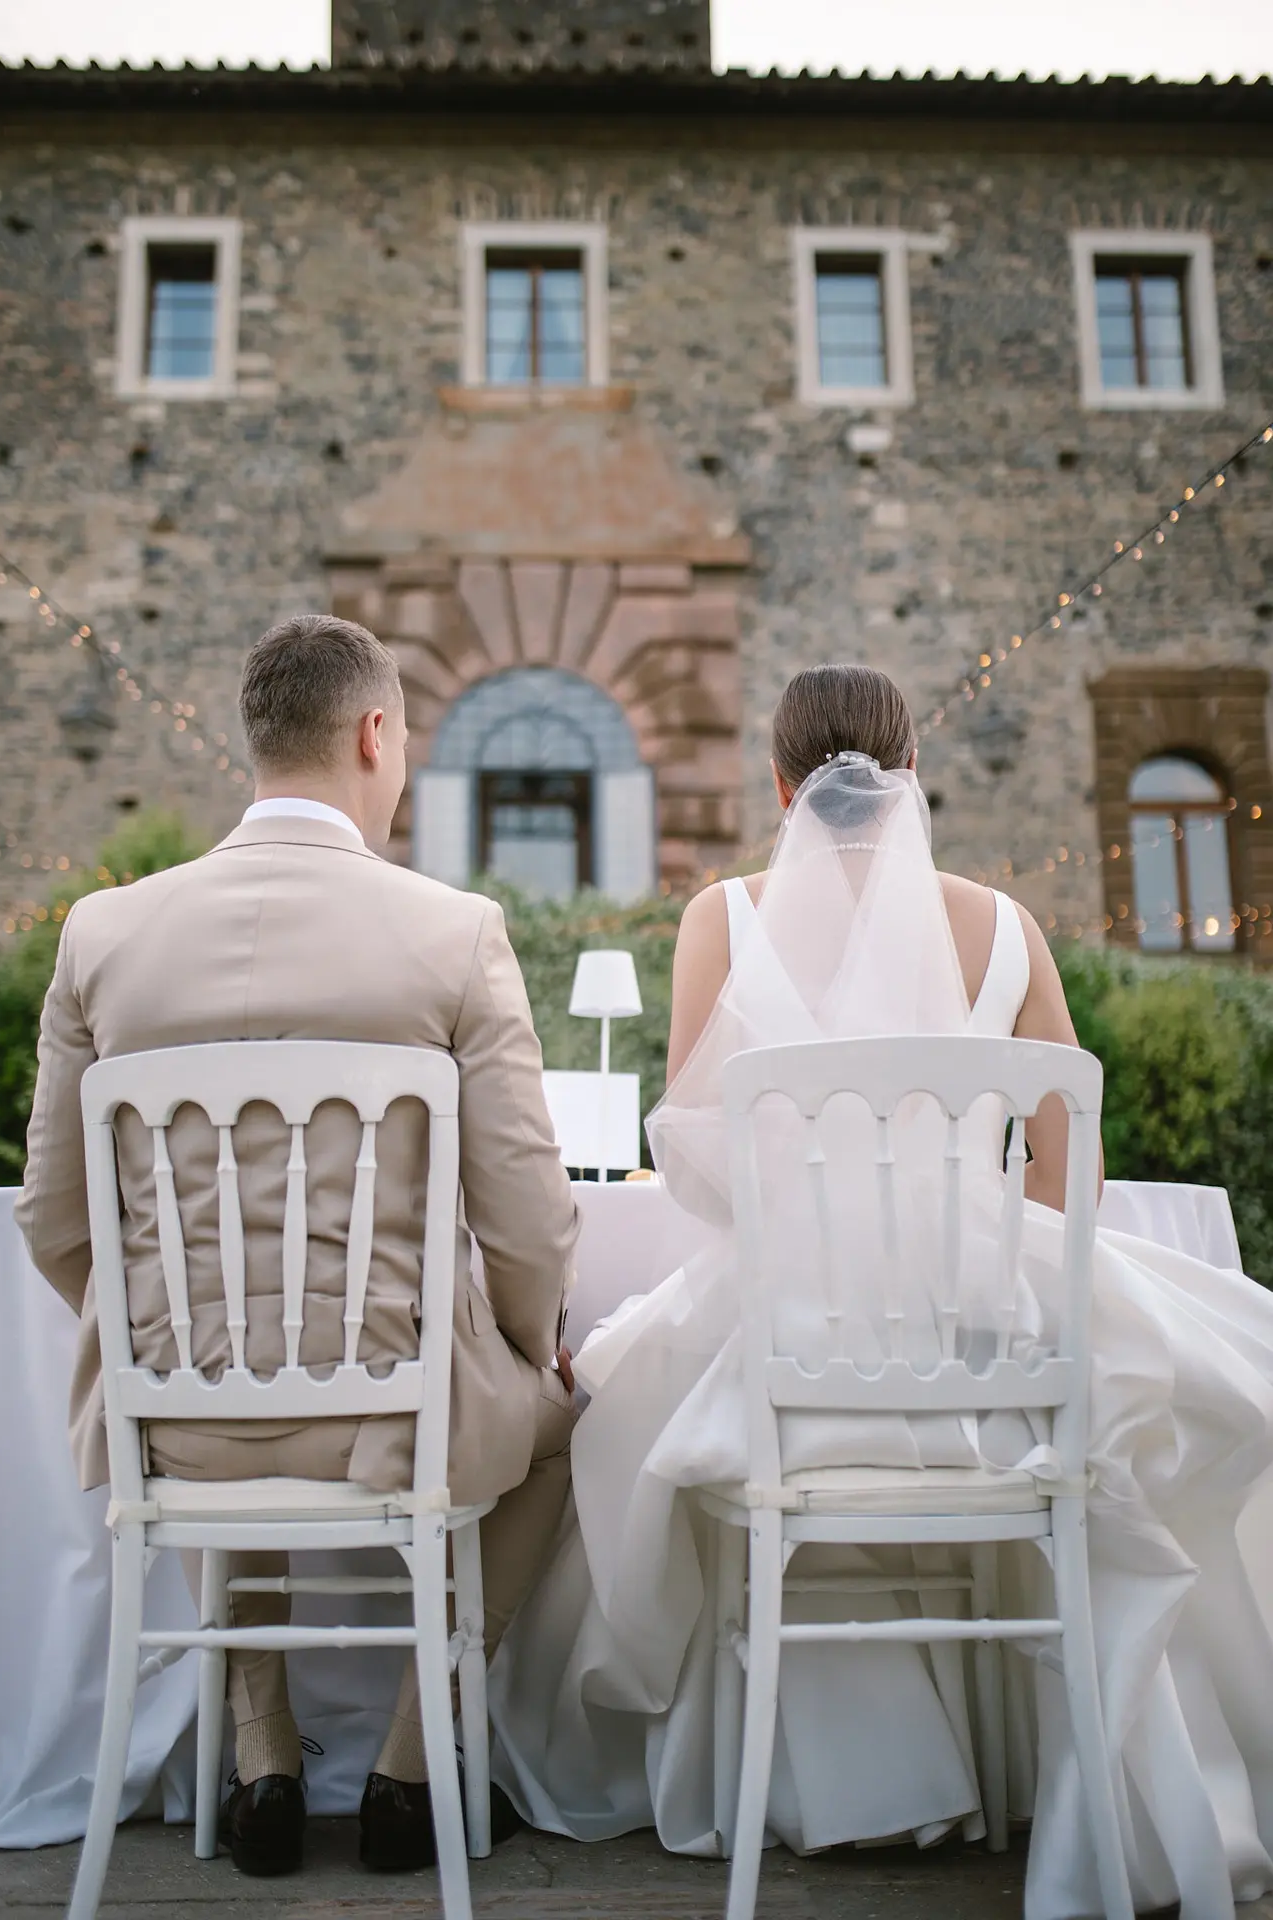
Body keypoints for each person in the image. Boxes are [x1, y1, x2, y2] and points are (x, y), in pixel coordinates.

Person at [490, 663, 1273, 1920]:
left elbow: (700, 1172)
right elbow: (1072, 1189)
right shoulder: (1006, 927)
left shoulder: (722, 918)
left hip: (794, 1344)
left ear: (781, 786)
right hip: (988, 1350)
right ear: (912, 774)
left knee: (614, 1398)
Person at [16, 613, 580, 1878]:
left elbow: (51, 1217)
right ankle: (409, 1765)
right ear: (376, 734)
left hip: (173, 1422)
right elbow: (530, 1218)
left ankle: (262, 1752)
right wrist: (532, 1342)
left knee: (232, 1366)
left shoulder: (101, 936)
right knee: (569, 1421)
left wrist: (158, 1343)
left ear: (252, 741)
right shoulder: (456, 932)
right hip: (403, 1419)